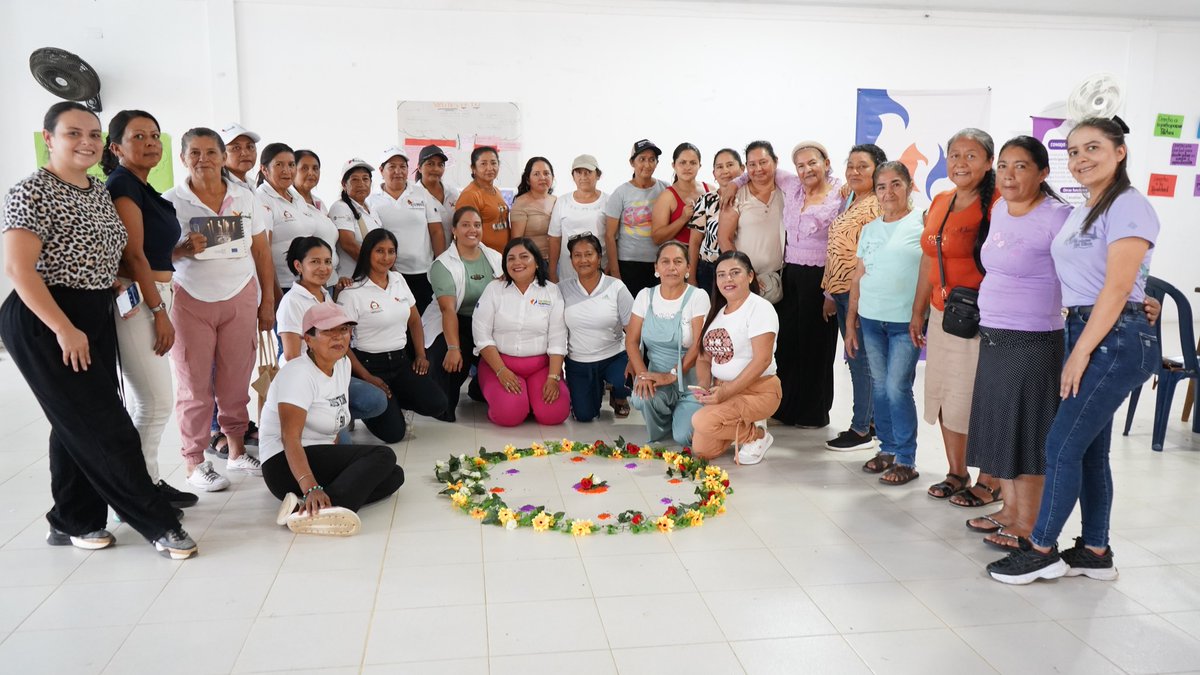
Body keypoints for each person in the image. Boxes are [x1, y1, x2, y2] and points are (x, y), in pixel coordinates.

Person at [1, 102, 195, 558]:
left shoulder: (96, 191)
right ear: (49, 138)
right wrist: (63, 328)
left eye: (92, 134)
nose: (85, 142)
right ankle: (157, 523)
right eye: (73, 133)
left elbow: (105, 253)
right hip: (47, 318)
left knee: (73, 424)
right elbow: (19, 269)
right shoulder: (31, 191)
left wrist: (108, 284)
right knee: (107, 425)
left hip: (94, 312)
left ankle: (73, 520)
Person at [988, 118, 1160, 584]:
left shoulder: (1128, 205)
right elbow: (1111, 278)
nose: (1082, 159)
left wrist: (1081, 352)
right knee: (1088, 451)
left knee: (1060, 445)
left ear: (1120, 152)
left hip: (1111, 339)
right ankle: (1096, 550)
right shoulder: (1088, 207)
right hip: (1093, 328)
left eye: (1093, 148)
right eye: (1074, 151)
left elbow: (1118, 286)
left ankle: (1041, 549)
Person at [963, 137, 1072, 550]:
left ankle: (1029, 522)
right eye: (1004, 165)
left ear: (1043, 172)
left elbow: (1091, 268)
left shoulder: (1058, 216)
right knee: (1001, 427)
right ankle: (1009, 510)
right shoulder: (1000, 209)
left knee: (1026, 432)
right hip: (994, 334)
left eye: (1021, 166)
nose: (1008, 175)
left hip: (1033, 340)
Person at [165, 127, 275, 492]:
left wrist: (267, 302)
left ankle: (237, 450)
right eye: (194, 153)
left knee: (235, 381)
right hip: (190, 300)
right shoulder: (171, 201)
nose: (203, 160)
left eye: (211, 152)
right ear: (183, 158)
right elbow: (154, 256)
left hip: (239, 296)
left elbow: (261, 251)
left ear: (221, 157)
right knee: (193, 386)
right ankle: (194, 461)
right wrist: (181, 250)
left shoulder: (245, 197)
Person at [100, 109, 196, 508]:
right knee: (154, 403)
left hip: (154, 293)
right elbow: (133, 256)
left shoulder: (143, 185)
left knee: (154, 402)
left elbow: (151, 252)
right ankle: (137, 495)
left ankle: (147, 483)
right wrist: (159, 313)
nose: (151, 143)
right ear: (116, 147)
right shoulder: (123, 185)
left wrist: (179, 252)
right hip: (140, 300)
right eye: (138, 136)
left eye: (154, 135)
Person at [911, 129, 1002, 506]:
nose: (961, 163)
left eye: (971, 156)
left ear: (989, 162)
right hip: (942, 313)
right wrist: (918, 310)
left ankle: (991, 480)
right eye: (954, 155)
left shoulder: (998, 203)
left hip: (980, 317)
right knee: (945, 394)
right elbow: (929, 258)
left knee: (978, 398)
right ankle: (956, 472)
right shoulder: (941, 200)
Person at [260, 302, 405, 537]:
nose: (339, 337)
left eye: (344, 329)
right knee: (383, 455)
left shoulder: (343, 364)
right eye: (328, 331)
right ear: (308, 339)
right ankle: (321, 508)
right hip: (283, 464)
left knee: (395, 475)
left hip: (316, 454)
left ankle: (307, 509)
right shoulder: (298, 374)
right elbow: (290, 438)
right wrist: (311, 487)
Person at [846, 162, 926, 486]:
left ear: (909, 185)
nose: (888, 192)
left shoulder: (922, 223)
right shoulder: (870, 229)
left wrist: (921, 313)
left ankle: (906, 458)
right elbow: (858, 277)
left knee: (897, 387)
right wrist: (850, 323)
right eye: (881, 186)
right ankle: (888, 449)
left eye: (896, 184)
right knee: (879, 386)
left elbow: (929, 273)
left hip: (905, 322)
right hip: (870, 319)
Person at [338, 229, 448, 440]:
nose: (386, 257)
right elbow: (342, 344)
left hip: (400, 361)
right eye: (379, 251)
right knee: (394, 434)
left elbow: (414, 320)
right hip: (369, 366)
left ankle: (393, 400)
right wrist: (366, 376)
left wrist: (420, 355)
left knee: (438, 404)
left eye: (391, 251)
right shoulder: (352, 292)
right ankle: (361, 407)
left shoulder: (398, 279)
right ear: (367, 253)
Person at [275, 237, 388, 436]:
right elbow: (292, 357)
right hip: (307, 382)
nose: (323, 268)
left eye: (327, 261)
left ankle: (333, 419)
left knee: (377, 401)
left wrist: (365, 376)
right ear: (298, 266)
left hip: (332, 374)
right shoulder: (292, 302)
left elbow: (338, 341)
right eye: (315, 262)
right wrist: (322, 389)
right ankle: (309, 421)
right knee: (338, 446)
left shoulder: (325, 295)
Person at [822, 144, 887, 451]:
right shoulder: (852, 197)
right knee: (857, 359)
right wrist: (830, 292)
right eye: (850, 165)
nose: (855, 171)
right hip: (840, 291)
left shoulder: (876, 205)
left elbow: (872, 257)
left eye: (863, 166)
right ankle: (870, 421)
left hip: (858, 293)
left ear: (878, 170)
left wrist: (856, 297)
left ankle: (861, 429)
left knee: (859, 360)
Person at [692, 251, 782, 464]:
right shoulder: (716, 312)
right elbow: (703, 358)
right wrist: (704, 385)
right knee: (703, 450)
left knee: (702, 421)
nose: (728, 279)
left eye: (735, 273)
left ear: (750, 276)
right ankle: (745, 424)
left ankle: (757, 435)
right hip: (723, 389)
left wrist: (726, 392)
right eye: (721, 275)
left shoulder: (760, 308)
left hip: (758, 391)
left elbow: (762, 360)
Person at [472, 238, 570, 426]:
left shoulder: (552, 291)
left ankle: (530, 401)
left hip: (541, 367)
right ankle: (519, 402)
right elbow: (482, 336)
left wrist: (553, 377)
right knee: (509, 415)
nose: (517, 262)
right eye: (511, 258)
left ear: (537, 262)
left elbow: (558, 338)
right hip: (500, 365)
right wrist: (501, 371)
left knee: (554, 414)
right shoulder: (494, 289)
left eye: (524, 257)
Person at [626, 241, 711, 446]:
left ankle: (686, 413)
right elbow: (631, 341)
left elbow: (698, 344)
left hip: (691, 381)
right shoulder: (645, 296)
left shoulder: (698, 297)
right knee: (642, 396)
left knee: (683, 437)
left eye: (678, 262)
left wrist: (672, 375)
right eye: (665, 261)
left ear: (688, 268)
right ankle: (665, 422)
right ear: (656, 267)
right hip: (656, 377)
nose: (671, 267)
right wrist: (643, 375)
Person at [423, 207, 504, 422]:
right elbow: (447, 309)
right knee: (448, 357)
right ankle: (443, 403)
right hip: (452, 320)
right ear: (454, 230)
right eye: (465, 225)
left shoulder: (495, 258)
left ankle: (480, 387)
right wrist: (453, 348)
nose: (472, 230)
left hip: (485, 321)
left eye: (477, 225)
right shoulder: (443, 264)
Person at [560, 234, 634, 421]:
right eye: (577, 255)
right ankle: (596, 388)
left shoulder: (616, 287)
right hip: (579, 361)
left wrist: (635, 361)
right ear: (571, 260)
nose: (583, 260)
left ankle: (619, 395)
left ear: (599, 257)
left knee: (625, 380)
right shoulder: (561, 289)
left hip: (614, 356)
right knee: (584, 416)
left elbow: (633, 330)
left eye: (589, 254)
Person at [367, 147, 443, 313]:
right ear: (381, 170)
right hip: (390, 273)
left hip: (424, 273)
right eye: (392, 167)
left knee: (424, 320)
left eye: (402, 166)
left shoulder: (421, 193)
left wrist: (441, 266)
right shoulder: (371, 201)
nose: (398, 171)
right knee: (397, 318)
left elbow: (436, 231)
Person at [718, 141, 785, 304]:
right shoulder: (736, 195)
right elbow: (724, 238)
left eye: (763, 162)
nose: (758, 169)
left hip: (780, 278)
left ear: (775, 161)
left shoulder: (786, 192)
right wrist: (745, 273)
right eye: (752, 164)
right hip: (746, 281)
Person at [256, 142, 321, 300]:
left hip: (307, 283)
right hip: (284, 287)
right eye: (279, 165)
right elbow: (262, 253)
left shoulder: (297, 197)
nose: (287, 170)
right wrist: (274, 295)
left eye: (291, 165)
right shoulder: (261, 199)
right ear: (264, 169)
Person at [606, 139, 668, 298]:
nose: (647, 164)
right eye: (642, 159)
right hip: (628, 264)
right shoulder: (620, 193)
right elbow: (609, 236)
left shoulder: (666, 189)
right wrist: (615, 273)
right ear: (632, 162)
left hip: (659, 263)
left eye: (652, 159)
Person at [688, 148, 743, 296]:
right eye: (719, 167)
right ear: (714, 174)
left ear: (742, 168)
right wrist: (691, 277)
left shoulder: (748, 199)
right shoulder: (706, 200)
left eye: (730, 165)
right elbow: (694, 242)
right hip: (708, 269)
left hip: (740, 268)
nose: (725, 171)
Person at [548, 154, 607, 284]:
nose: (583, 177)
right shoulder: (562, 202)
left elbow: (613, 238)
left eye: (588, 172)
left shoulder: (608, 201)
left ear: (598, 175)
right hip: (567, 271)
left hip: (599, 270)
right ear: (573, 176)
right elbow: (554, 239)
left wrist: (612, 267)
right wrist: (552, 272)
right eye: (579, 172)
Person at [291, 149, 342, 282]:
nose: (311, 173)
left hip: (330, 280)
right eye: (304, 168)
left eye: (315, 168)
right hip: (307, 282)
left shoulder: (319, 203)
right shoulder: (290, 203)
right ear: (293, 170)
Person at [328, 159, 383, 280]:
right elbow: (348, 244)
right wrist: (377, 269)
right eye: (355, 179)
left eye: (365, 179)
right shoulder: (341, 207)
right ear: (344, 184)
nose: (361, 184)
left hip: (371, 279)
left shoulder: (371, 210)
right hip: (352, 281)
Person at [651, 142, 710, 246]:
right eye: (682, 162)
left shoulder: (710, 190)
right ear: (674, 165)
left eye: (693, 163)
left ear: (699, 165)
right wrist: (682, 219)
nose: (687, 167)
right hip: (679, 254)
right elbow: (657, 238)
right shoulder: (667, 197)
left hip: (708, 254)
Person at [455, 146, 509, 251]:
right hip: (483, 256)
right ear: (473, 168)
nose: (490, 168)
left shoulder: (496, 190)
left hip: (501, 256)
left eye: (493, 163)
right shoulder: (470, 195)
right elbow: (465, 234)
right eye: (483, 164)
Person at [510, 156, 556, 260]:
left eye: (546, 173)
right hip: (533, 261)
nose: (542, 177)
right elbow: (516, 242)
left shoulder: (557, 201)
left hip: (557, 260)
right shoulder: (521, 203)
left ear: (553, 177)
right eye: (536, 174)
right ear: (528, 180)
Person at [413, 144, 460, 248]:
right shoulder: (412, 196)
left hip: (450, 253)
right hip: (423, 255)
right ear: (419, 167)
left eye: (440, 165)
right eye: (430, 164)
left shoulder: (452, 193)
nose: (436, 169)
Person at [218, 123, 260, 190]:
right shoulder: (216, 188)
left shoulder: (252, 185)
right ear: (222, 156)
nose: (245, 153)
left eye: (250, 147)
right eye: (236, 148)